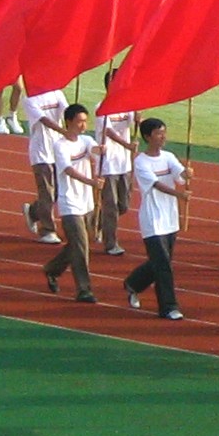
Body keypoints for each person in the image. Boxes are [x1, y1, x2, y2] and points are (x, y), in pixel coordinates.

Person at [123, 118, 189, 320]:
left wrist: (187, 172)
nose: (163, 137)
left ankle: (133, 283)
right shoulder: (141, 162)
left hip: (170, 218)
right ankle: (168, 306)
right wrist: (178, 195)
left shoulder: (168, 157)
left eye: (164, 132)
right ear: (147, 137)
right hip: (153, 219)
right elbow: (156, 185)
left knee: (161, 261)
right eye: (159, 133)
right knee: (163, 265)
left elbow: (180, 174)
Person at [41, 103, 100, 303]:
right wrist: (91, 181)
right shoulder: (60, 145)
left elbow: (95, 150)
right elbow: (68, 170)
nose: (83, 125)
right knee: (81, 245)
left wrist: (102, 150)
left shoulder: (86, 140)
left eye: (85, 121)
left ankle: (52, 269)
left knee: (80, 243)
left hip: (87, 202)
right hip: (70, 203)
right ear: (68, 122)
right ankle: (84, 289)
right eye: (79, 121)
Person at [20, 85, 69, 241]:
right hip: (41, 151)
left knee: (57, 192)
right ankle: (47, 230)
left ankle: (33, 212)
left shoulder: (57, 93)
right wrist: (64, 131)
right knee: (47, 191)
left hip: (58, 150)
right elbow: (44, 120)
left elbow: (66, 112)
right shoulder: (29, 100)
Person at [94, 78, 136, 258]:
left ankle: (97, 223)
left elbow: (137, 121)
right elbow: (108, 131)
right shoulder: (102, 108)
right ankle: (111, 243)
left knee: (123, 205)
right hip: (108, 163)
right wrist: (126, 145)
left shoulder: (128, 105)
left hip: (124, 164)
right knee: (110, 205)